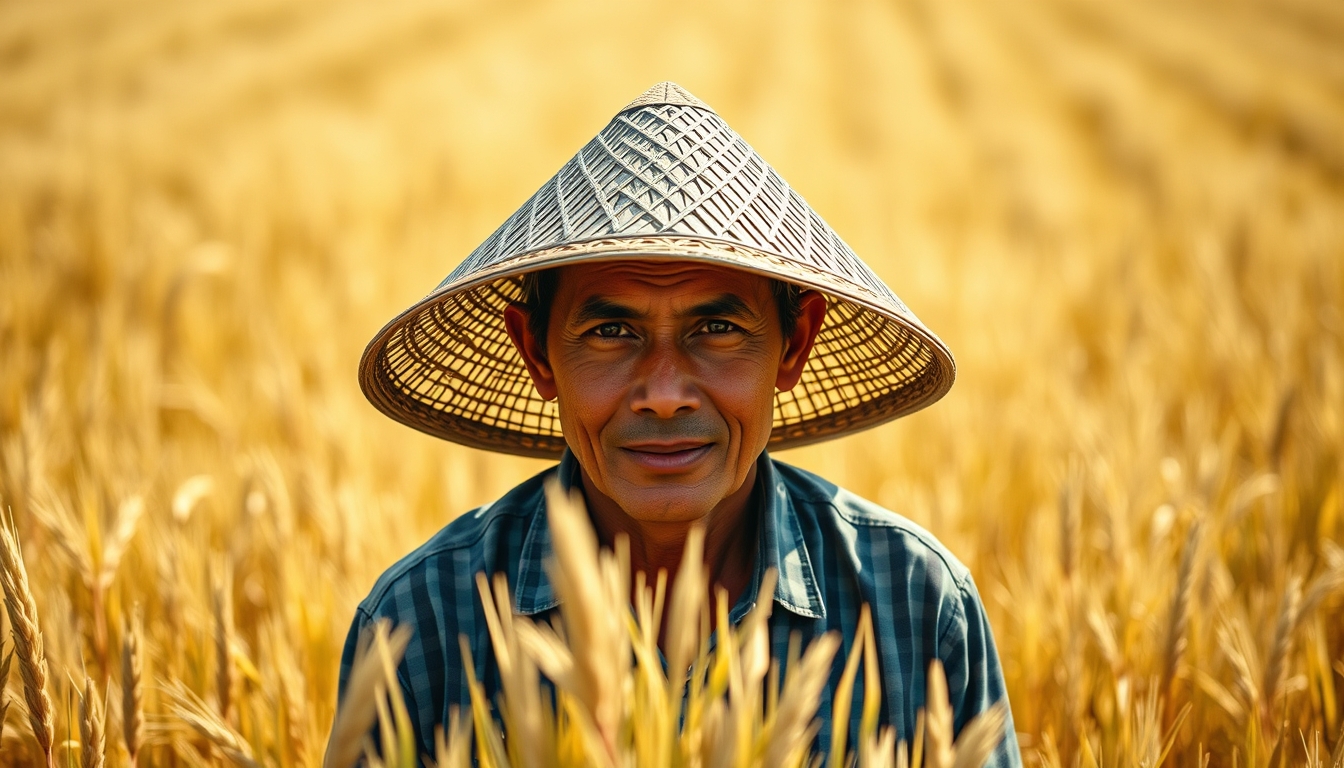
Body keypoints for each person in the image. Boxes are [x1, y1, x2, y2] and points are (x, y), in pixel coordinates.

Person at [341, 82, 1021, 766]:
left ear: (793, 345)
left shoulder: (915, 605)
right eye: (611, 330)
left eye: (717, 328)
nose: (664, 394)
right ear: (537, 354)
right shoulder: (422, 621)